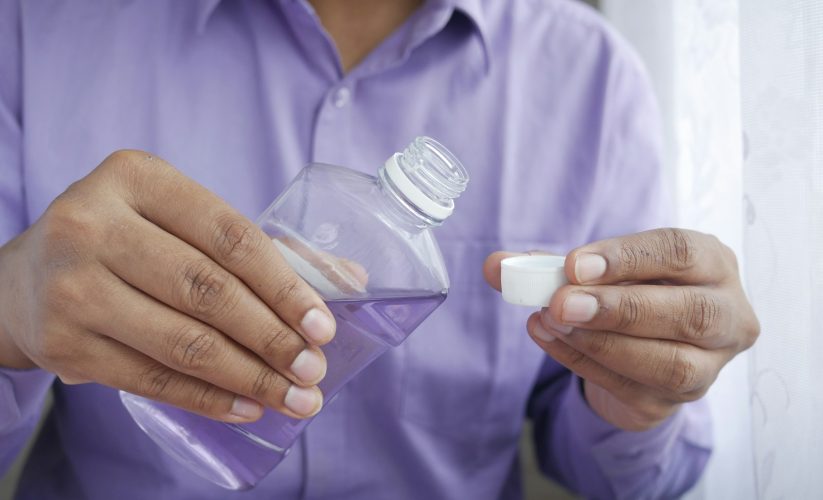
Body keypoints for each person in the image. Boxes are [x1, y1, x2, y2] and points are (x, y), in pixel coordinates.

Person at [0, 0, 759, 498]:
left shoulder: (591, 80)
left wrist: (636, 396)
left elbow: (617, 476)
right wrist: (8, 317)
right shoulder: (36, 25)